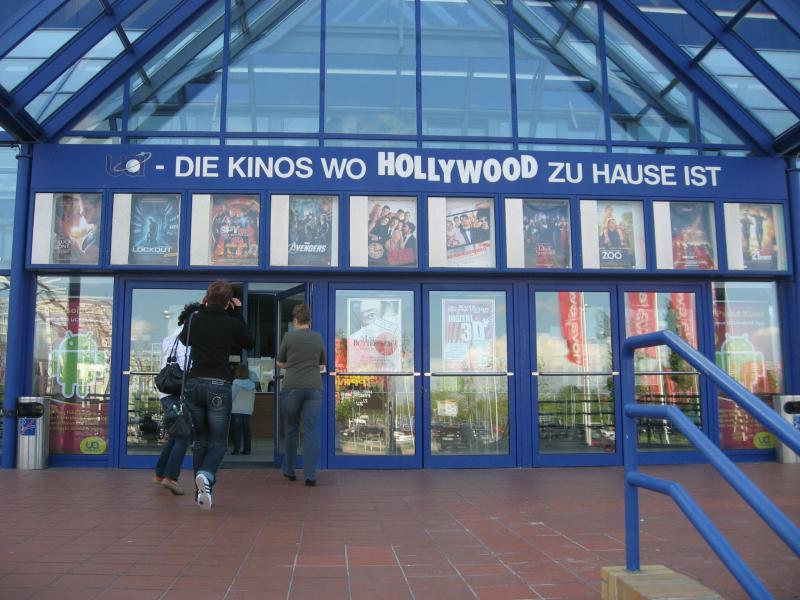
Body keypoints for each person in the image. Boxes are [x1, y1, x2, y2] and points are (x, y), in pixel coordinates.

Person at [180, 280, 254, 510]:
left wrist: (202, 309)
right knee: (219, 442)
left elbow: (184, 340)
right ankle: (206, 474)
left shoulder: (195, 318)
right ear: (228, 302)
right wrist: (238, 313)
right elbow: (249, 342)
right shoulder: (231, 322)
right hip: (218, 385)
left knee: (201, 440)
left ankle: (200, 493)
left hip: (194, 384)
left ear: (206, 298)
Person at [154, 302, 202, 496]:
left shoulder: (171, 337)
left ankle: (160, 474)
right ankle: (171, 477)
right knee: (184, 435)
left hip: (166, 392)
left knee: (175, 433)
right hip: (177, 393)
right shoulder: (185, 339)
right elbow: (186, 366)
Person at [277, 303, 325, 486]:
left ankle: (289, 470)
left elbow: (280, 362)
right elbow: (321, 365)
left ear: (296, 320)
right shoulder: (317, 338)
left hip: (292, 387)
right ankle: (310, 475)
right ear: (309, 321)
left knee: (292, 429)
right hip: (314, 387)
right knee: (311, 430)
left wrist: (292, 364)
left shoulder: (289, 337)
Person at [230, 363, 255, 455]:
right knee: (247, 432)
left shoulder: (236, 383)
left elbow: (232, 396)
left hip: (236, 410)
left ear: (238, 372)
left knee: (237, 431)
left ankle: (236, 450)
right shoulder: (252, 384)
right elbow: (253, 398)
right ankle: (247, 450)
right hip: (247, 410)